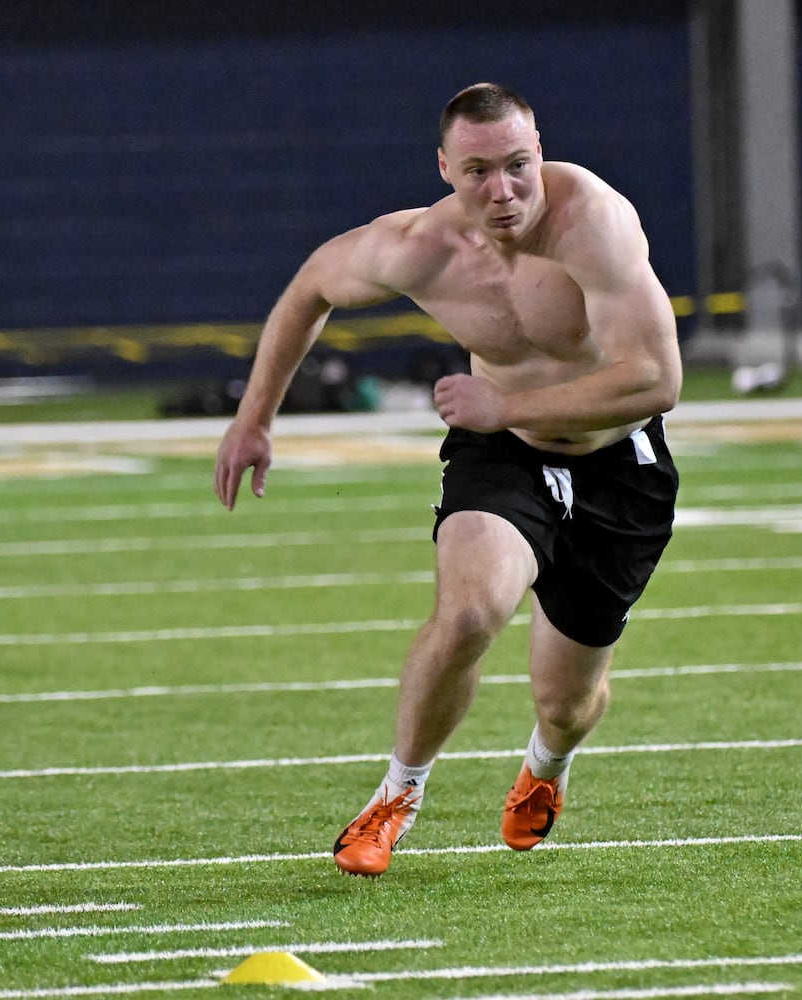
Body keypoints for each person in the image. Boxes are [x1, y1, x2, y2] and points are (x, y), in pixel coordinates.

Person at [214, 82, 681, 878]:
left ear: (541, 146)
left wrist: (507, 401)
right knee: (470, 612)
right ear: (443, 170)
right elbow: (307, 293)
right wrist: (254, 419)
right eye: (477, 172)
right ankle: (398, 793)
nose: (503, 191)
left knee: (565, 702)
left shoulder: (593, 223)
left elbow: (656, 379)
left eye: (518, 165)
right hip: (503, 452)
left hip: (617, 463)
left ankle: (548, 765)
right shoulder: (416, 248)